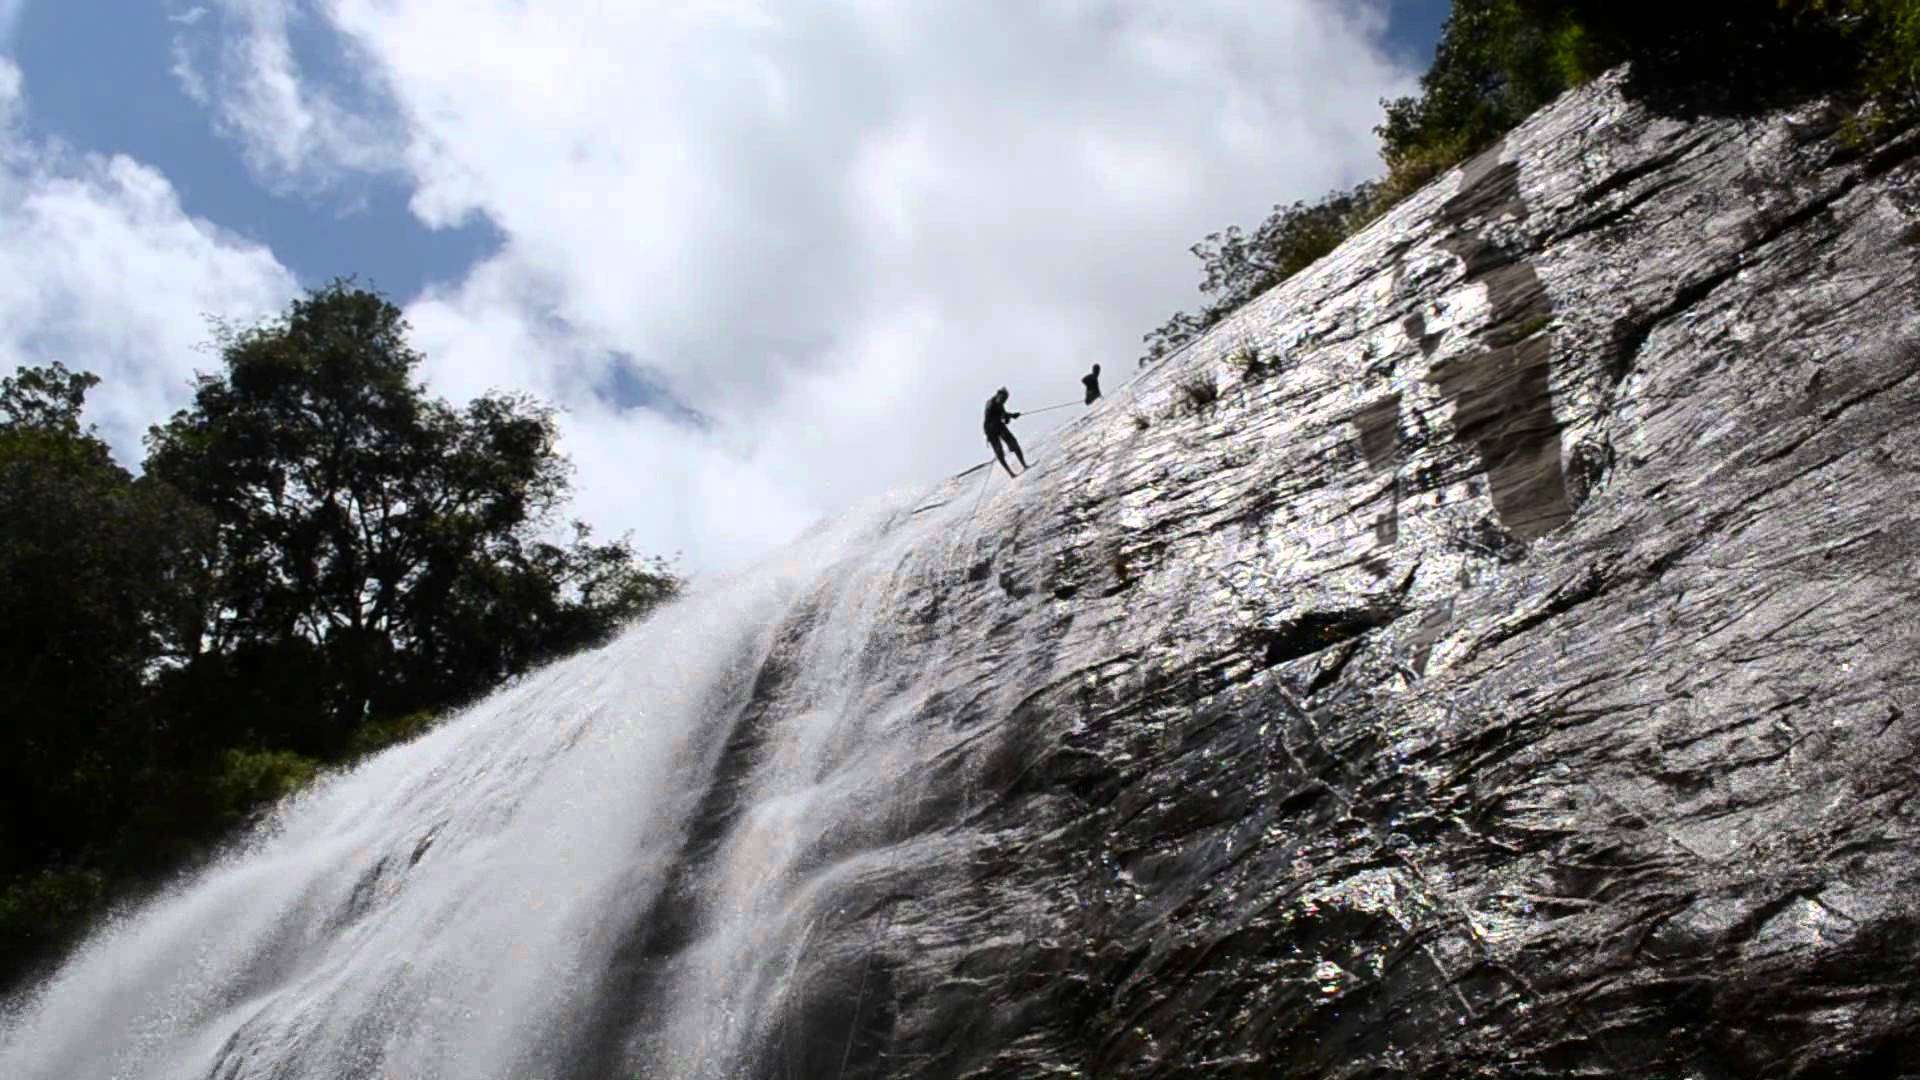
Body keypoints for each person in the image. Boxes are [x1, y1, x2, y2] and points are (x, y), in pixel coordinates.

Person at [983, 387, 1028, 477]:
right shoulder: (990, 403)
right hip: (990, 430)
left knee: (1014, 443)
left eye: (1005, 399)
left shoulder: (1000, 404)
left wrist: (1010, 416)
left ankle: (1024, 465)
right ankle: (1011, 473)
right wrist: (1009, 416)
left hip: (999, 426)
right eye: (1003, 398)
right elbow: (996, 415)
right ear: (998, 395)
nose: (1004, 401)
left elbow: (1003, 415)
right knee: (999, 452)